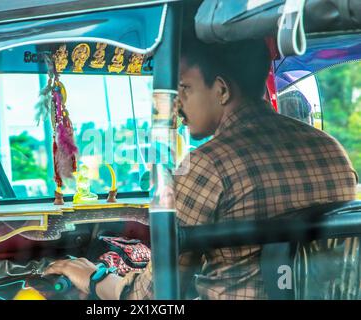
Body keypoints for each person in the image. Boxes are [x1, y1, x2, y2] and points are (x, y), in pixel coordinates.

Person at [43, 35, 358, 300]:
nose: (177, 104)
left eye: (184, 89)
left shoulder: (208, 164)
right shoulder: (332, 149)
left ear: (221, 89)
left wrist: (95, 278)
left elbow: (153, 296)